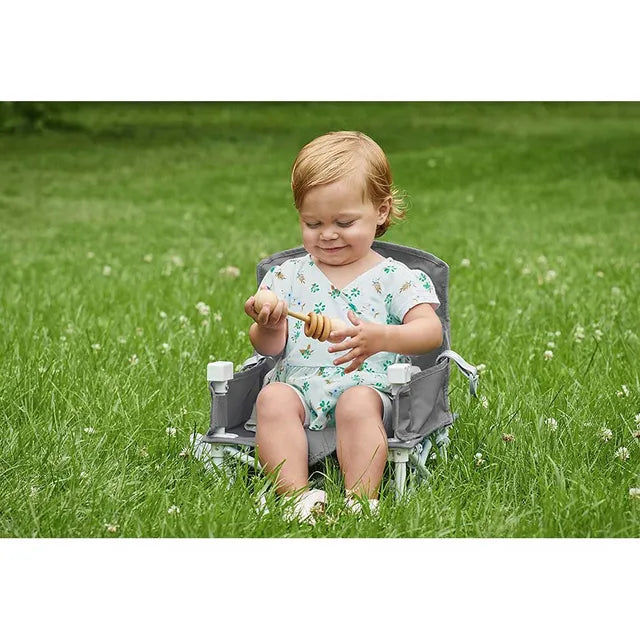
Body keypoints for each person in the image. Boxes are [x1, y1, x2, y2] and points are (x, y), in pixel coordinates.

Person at [243, 131, 442, 522]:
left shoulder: (395, 278)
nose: (328, 234)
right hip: (300, 387)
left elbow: (430, 332)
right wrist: (267, 324)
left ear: (381, 212)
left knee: (356, 403)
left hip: (371, 390)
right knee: (272, 399)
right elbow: (268, 348)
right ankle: (296, 498)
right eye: (312, 222)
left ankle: (360, 500)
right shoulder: (288, 276)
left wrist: (381, 337)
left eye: (344, 222)